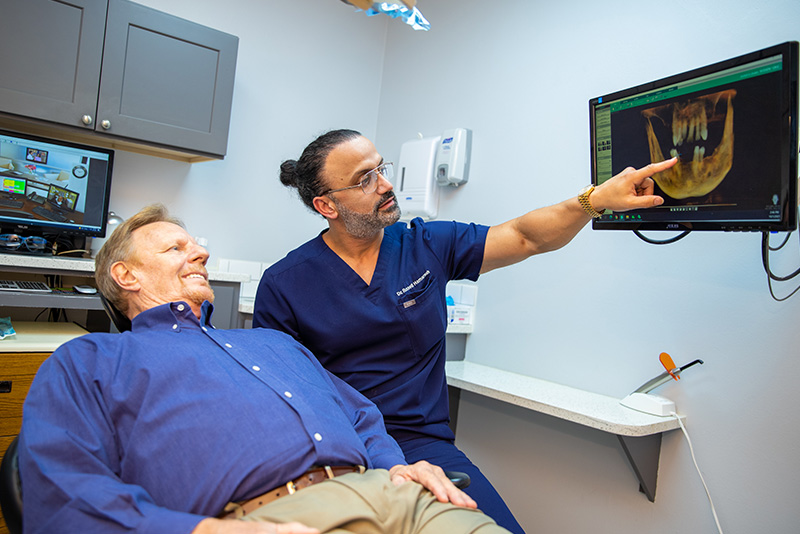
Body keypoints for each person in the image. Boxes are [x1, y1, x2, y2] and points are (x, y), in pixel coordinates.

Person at [252, 129, 679, 533]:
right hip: (336, 448)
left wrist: (594, 201)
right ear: (327, 205)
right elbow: (277, 397)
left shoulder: (425, 245)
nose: (384, 184)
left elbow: (524, 236)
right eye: (365, 179)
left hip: (424, 444)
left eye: (382, 168)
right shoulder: (285, 283)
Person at [18, 204, 511, 534]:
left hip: (398, 495)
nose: (201, 253)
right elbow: (60, 484)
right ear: (125, 276)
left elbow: (360, 416)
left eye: (197, 245)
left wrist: (397, 465)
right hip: (275, 520)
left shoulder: (271, 343)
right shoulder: (90, 361)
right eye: (175, 249)